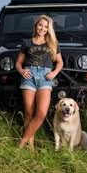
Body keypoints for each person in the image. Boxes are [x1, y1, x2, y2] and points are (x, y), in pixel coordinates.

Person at [15, 15, 63, 150]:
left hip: (45, 78)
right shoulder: (27, 43)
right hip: (28, 77)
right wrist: (22, 71)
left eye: (46, 26)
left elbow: (60, 62)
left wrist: (53, 73)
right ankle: (31, 148)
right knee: (29, 113)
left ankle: (20, 144)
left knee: (41, 113)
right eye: (40, 25)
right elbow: (18, 63)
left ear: (49, 29)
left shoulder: (52, 43)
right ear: (36, 26)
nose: (42, 28)